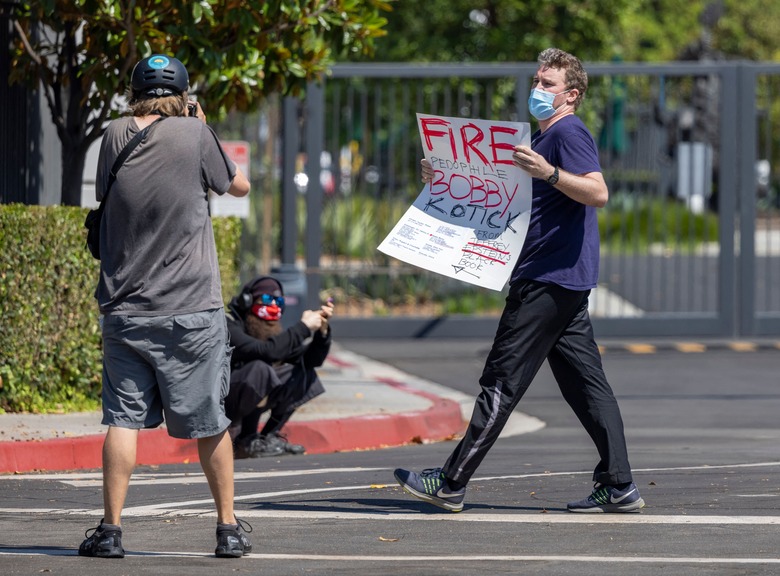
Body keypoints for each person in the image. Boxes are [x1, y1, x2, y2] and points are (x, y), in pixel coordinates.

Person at [394, 48, 645, 514]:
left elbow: (598, 191)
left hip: (548, 280)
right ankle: (619, 484)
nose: (537, 90)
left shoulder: (568, 132)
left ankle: (450, 482)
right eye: (536, 81)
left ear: (571, 94)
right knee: (587, 388)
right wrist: (439, 176)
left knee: (501, 381)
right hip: (561, 280)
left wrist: (549, 172)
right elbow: (497, 194)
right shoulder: (537, 139)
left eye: (547, 84)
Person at [79, 54, 253, 559]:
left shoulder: (113, 134)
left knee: (123, 419)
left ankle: (110, 531)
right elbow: (237, 184)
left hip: (124, 307)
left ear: (134, 91)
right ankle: (227, 529)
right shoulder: (195, 134)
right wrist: (202, 125)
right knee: (208, 420)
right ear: (183, 92)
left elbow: (112, 196)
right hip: (191, 310)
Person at [225, 276, 334, 458]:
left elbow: (309, 360)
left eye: (278, 301)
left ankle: (267, 437)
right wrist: (303, 327)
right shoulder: (230, 325)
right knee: (261, 369)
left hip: (247, 394)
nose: (273, 304)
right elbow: (267, 351)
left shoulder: (267, 330)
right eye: (267, 299)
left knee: (302, 373)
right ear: (248, 300)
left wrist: (322, 333)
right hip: (223, 401)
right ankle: (247, 440)